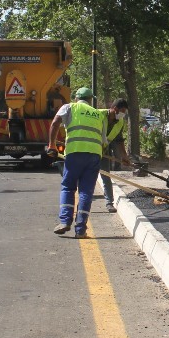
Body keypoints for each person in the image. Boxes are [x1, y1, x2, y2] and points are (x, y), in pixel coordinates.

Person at [48, 86, 107, 238]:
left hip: (74, 153)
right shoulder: (98, 114)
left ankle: (65, 221)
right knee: (86, 192)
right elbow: (103, 141)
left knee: (68, 187)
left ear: (76, 98)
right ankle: (80, 229)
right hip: (94, 155)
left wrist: (52, 145)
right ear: (90, 100)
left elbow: (55, 123)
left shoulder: (69, 107)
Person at [98, 98, 131, 213]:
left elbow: (119, 139)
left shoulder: (120, 121)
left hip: (103, 151)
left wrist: (124, 156)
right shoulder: (99, 115)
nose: (123, 114)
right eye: (122, 111)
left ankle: (109, 203)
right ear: (115, 109)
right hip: (91, 151)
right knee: (87, 176)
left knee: (106, 176)